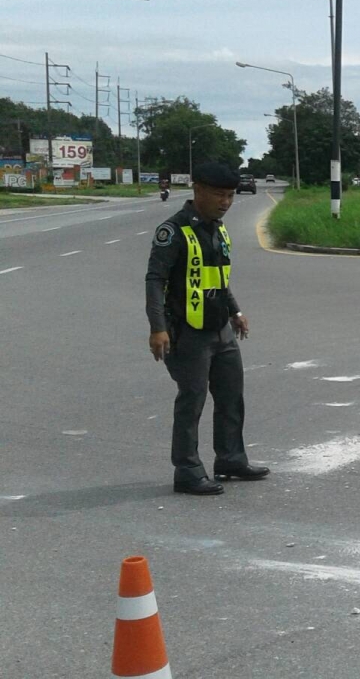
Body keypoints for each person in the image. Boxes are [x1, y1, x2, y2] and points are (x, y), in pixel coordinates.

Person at [145, 162, 269, 496]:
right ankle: (187, 470)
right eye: (219, 194)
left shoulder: (218, 228)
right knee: (192, 401)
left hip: (220, 329)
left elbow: (218, 279)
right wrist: (158, 328)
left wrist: (235, 310)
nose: (226, 201)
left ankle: (230, 459)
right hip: (187, 332)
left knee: (231, 397)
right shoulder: (174, 231)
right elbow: (155, 281)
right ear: (198, 189)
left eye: (229, 195)